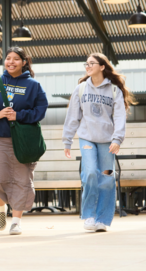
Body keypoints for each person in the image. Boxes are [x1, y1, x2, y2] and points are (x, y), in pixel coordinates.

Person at [0, 47, 48, 235]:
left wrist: (19, 115)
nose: (11, 62)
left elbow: (40, 110)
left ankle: (16, 221)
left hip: (23, 140)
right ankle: (1, 208)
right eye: (8, 59)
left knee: (22, 179)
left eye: (16, 59)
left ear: (24, 62)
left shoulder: (34, 86)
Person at [63, 53, 135, 232]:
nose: (87, 66)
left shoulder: (114, 91)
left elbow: (119, 118)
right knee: (90, 174)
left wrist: (117, 139)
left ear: (102, 67)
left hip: (107, 142)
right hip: (87, 140)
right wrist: (67, 140)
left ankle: (102, 219)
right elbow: (73, 117)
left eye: (91, 63)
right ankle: (89, 216)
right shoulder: (80, 89)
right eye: (86, 64)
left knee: (107, 177)